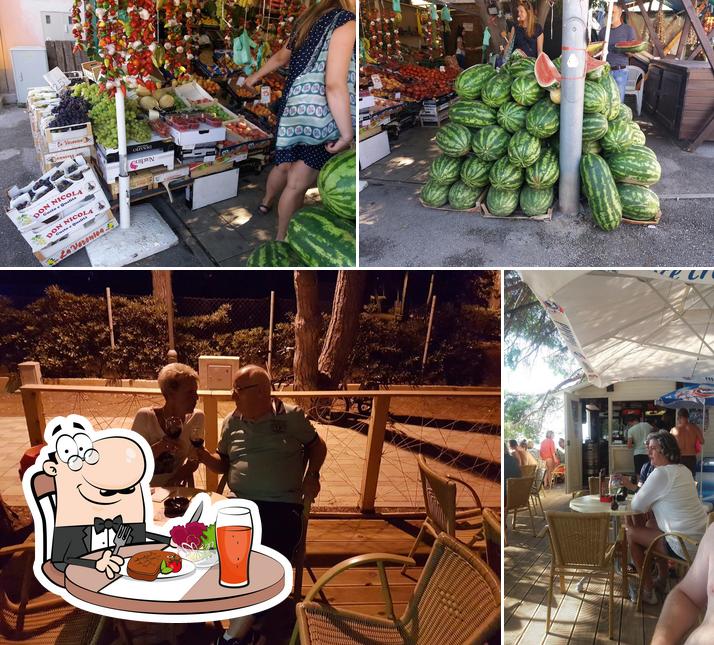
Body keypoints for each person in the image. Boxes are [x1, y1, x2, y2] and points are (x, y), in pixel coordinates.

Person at [197, 365, 327, 645]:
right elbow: (223, 463)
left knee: (259, 557)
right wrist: (202, 456)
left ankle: (238, 630)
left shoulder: (291, 417)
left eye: (238, 389)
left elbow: (318, 447)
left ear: (262, 392)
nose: (232, 394)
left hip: (281, 506)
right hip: (238, 504)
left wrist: (312, 475)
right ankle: (217, 614)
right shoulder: (231, 421)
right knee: (202, 545)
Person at [245, 0, 355, 241]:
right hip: (318, 114)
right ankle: (281, 239)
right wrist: (347, 134)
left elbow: (280, 58)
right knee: (296, 183)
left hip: (292, 105)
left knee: (283, 166)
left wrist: (254, 77)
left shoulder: (307, 18)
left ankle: (265, 202)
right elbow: (334, 84)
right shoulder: (345, 22)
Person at [622, 430, 707, 605]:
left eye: (653, 448)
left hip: (683, 546)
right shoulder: (683, 470)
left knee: (631, 532)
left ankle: (648, 590)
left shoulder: (660, 473)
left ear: (666, 451)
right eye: (648, 448)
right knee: (651, 523)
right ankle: (662, 580)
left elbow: (637, 505)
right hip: (701, 542)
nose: (649, 453)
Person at [131, 363, 204, 487]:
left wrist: (176, 478)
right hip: (143, 488)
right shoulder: (145, 417)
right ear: (170, 394)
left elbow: (194, 459)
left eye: (196, 392)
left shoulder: (197, 418)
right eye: (190, 392)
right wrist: (160, 447)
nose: (196, 397)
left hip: (174, 490)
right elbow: (132, 460)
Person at [651, 523, 714, 644]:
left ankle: (650, 587)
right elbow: (686, 595)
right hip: (690, 543)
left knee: (633, 534)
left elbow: (638, 507)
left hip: (681, 545)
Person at [597, 2, 637, 102]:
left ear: (620, 13)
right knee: (604, 102)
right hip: (604, 72)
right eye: (608, 12)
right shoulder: (603, 31)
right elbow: (598, 51)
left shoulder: (628, 30)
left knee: (618, 103)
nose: (609, 15)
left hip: (620, 72)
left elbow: (632, 53)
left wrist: (625, 49)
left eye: (613, 12)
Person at [671, 408, 704, 477]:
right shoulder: (695, 428)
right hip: (691, 457)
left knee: (680, 478)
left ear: (678, 417)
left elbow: (669, 444)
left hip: (679, 457)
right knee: (691, 478)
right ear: (688, 417)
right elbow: (702, 441)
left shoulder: (674, 430)